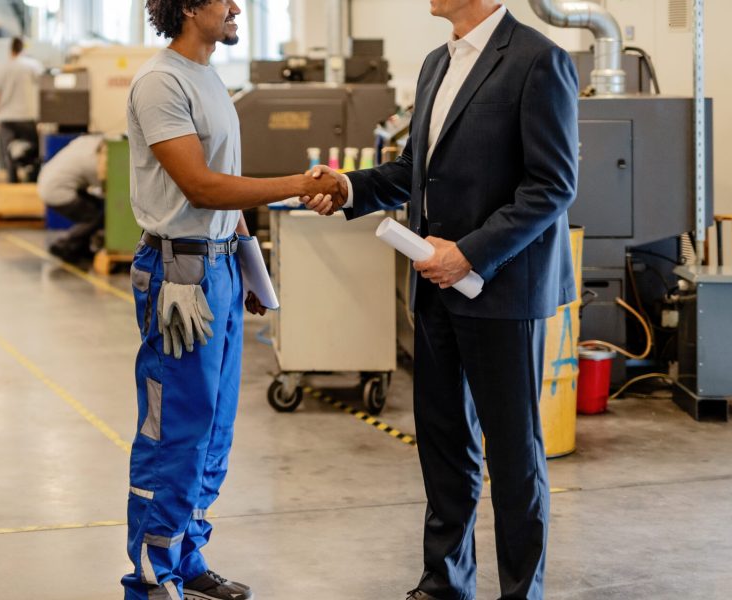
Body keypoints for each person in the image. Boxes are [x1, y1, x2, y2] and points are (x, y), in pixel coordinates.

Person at [301, 2, 578, 598]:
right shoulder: (435, 63)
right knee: (444, 444)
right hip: (435, 290)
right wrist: (351, 186)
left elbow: (552, 184)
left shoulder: (537, 59)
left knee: (513, 455)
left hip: (501, 289)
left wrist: (471, 253)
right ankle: (445, 581)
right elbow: (415, 170)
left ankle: (520, 590)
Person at [123, 1, 345, 599]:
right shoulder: (160, 82)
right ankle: (151, 578)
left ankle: (187, 559)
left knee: (214, 431)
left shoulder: (210, 76)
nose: (236, 7)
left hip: (219, 266)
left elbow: (226, 185)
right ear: (190, 7)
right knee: (173, 431)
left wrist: (249, 261)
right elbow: (199, 184)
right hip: (180, 274)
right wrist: (300, 185)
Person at [37, 133, 107, 263]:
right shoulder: (91, 161)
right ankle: (63, 245)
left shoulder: (86, 142)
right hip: (56, 191)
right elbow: (107, 189)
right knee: (94, 216)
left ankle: (82, 250)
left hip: (47, 182)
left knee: (96, 206)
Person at [0, 37, 44, 183]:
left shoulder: (1, 66)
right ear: (23, 49)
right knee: (33, 151)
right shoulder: (33, 65)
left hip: (6, 117)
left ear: (11, 49)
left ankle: (12, 180)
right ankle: (32, 179)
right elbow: (44, 87)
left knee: (8, 154)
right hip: (27, 116)